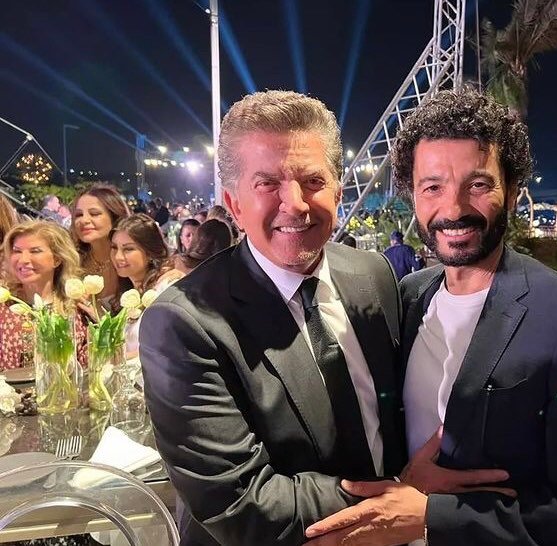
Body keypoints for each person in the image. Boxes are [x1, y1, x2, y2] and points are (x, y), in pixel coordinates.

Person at [305, 88, 557, 545]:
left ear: (511, 191)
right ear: (414, 197)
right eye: (432, 187)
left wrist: (433, 517)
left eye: (478, 185)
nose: (454, 209)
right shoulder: (409, 297)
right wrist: (405, 486)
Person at [138, 90, 408, 546]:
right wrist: (397, 496)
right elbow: (239, 502)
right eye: (267, 184)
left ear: (339, 191)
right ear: (234, 204)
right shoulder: (184, 322)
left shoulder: (373, 274)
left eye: (313, 181)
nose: (295, 203)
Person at [0, 221, 88, 370]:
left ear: (57, 259)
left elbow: (88, 365)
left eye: (35, 251)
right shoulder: (4, 305)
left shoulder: (75, 307)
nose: (23, 260)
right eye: (17, 251)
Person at [110, 213, 184, 362]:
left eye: (128, 249)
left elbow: (168, 348)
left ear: (149, 252)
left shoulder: (166, 288)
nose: (118, 256)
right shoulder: (128, 292)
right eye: (114, 248)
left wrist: (118, 360)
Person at [72, 183, 131, 305]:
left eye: (94, 214)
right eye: (78, 215)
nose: (84, 220)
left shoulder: (131, 259)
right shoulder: (72, 262)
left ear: (115, 217)